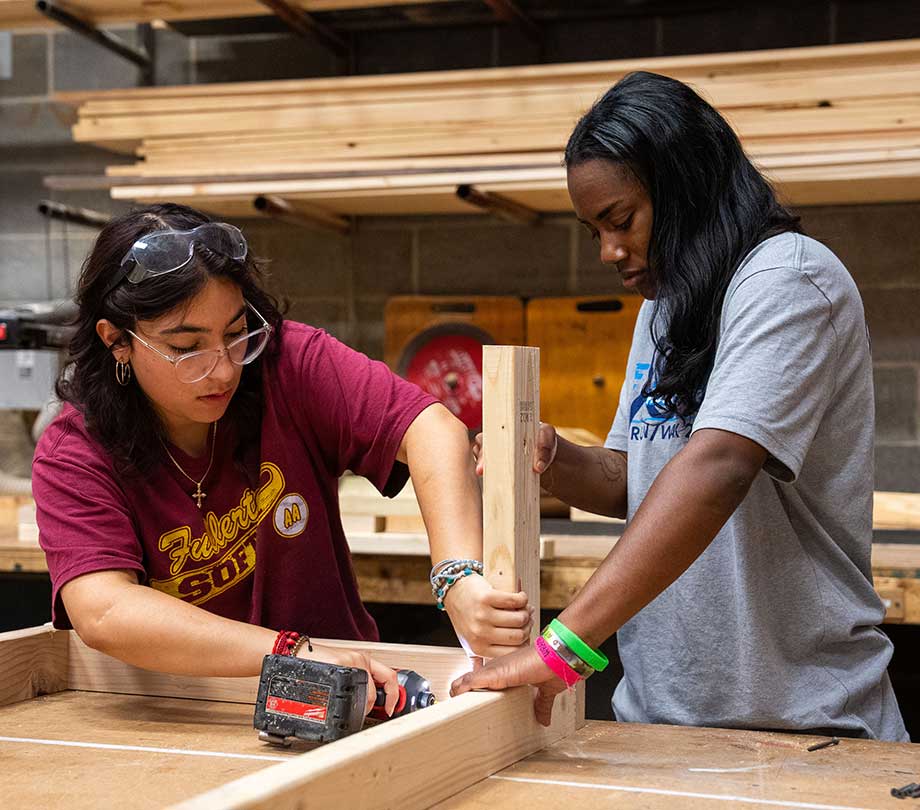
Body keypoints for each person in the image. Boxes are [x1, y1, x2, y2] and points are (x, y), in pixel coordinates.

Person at [451, 71, 908, 742]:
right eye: (594, 230)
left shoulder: (787, 279)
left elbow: (717, 467)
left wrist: (560, 650)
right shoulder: (665, 309)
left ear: (687, 187)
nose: (608, 251)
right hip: (665, 726)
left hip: (803, 726)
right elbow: (636, 478)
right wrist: (554, 461)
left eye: (621, 221)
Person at [33, 203, 531, 715]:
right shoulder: (75, 453)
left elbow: (431, 428)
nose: (224, 370)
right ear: (117, 340)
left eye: (234, 334)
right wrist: (291, 653)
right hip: (183, 714)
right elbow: (106, 610)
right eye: (187, 348)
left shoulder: (286, 363)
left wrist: (457, 576)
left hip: (352, 702)